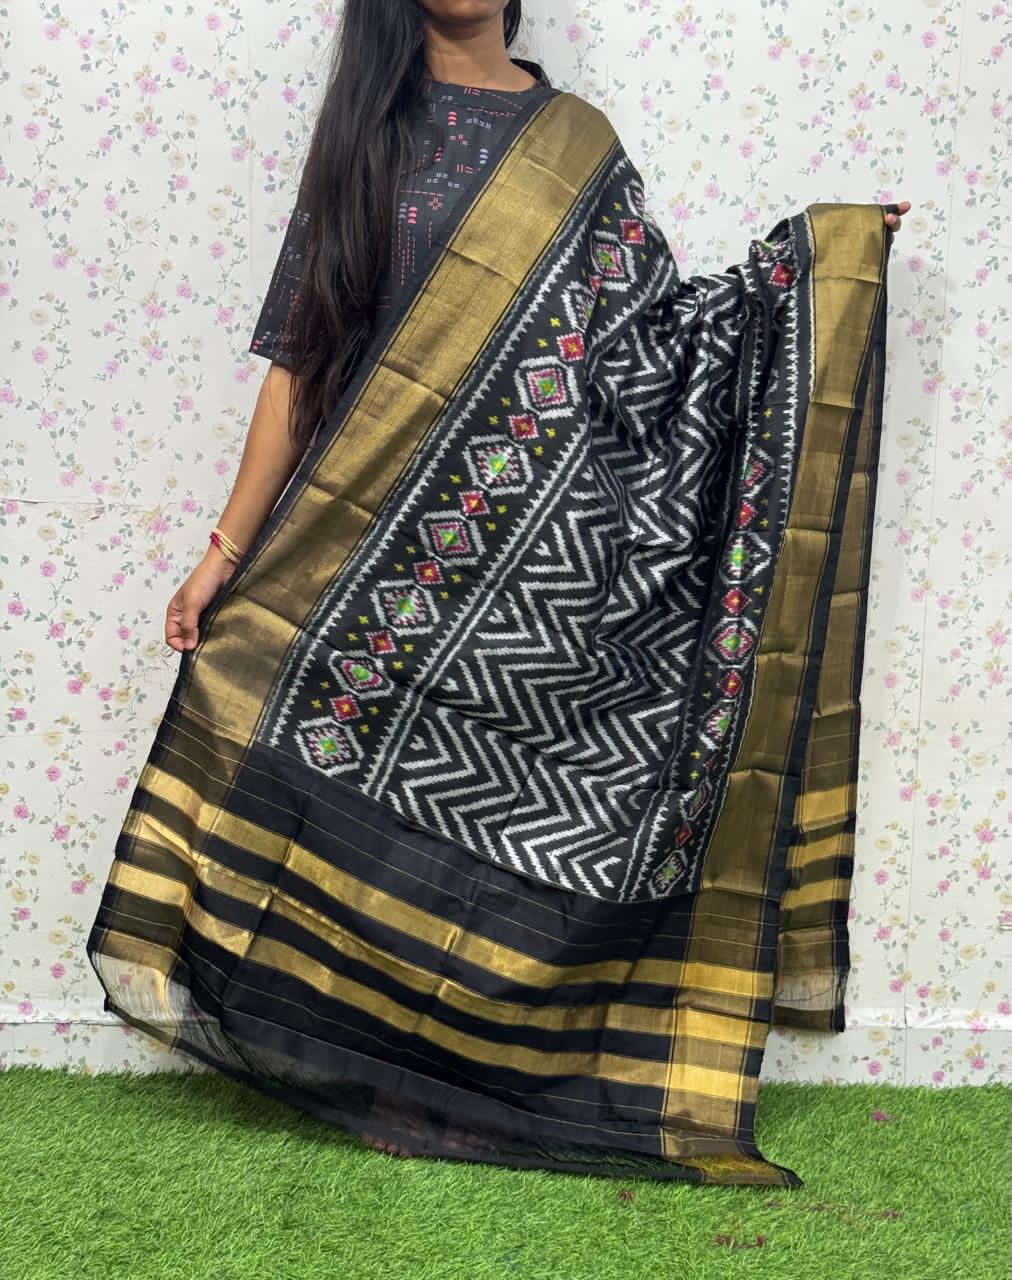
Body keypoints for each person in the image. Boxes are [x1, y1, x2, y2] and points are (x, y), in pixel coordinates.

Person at [87, 0, 911, 1187]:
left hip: (518, 564)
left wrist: (814, 267)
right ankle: (347, 1056)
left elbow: (655, 353)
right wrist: (225, 547)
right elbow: (303, 355)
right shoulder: (368, 133)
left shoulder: (576, 141)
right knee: (269, 717)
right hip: (363, 546)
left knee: (496, 820)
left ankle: (461, 1081)